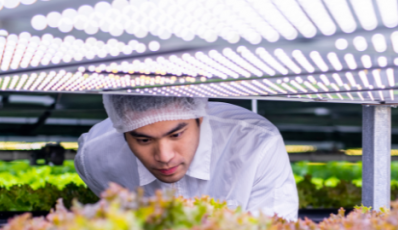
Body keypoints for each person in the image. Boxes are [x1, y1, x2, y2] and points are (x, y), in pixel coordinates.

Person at [75, 94, 299, 220]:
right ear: (123, 134)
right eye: (144, 140)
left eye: (176, 134)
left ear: (200, 119)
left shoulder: (255, 142)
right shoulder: (96, 157)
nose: (164, 156)